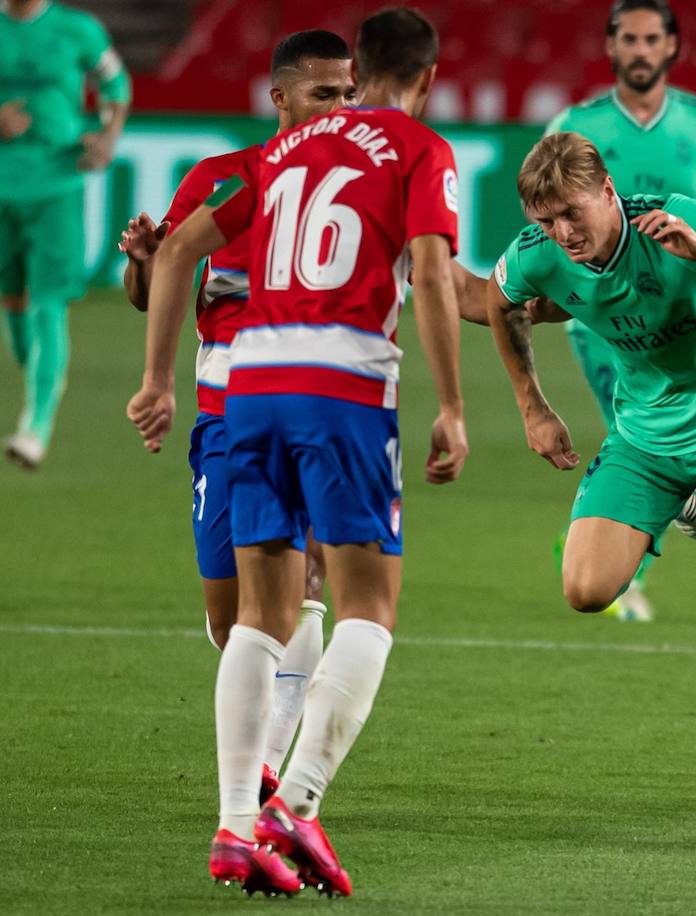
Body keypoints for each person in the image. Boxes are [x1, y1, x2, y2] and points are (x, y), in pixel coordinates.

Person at [127, 7, 467, 895]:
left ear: (362, 74)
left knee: (259, 616)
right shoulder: (412, 149)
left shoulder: (276, 159)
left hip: (250, 390)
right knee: (368, 608)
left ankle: (239, 825)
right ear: (426, 80)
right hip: (340, 383)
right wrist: (457, 405)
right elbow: (430, 272)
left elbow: (180, 252)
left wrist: (156, 376)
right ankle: (297, 804)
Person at [486, 131, 696, 755]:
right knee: (585, 592)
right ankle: (684, 505)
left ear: (607, 192)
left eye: (572, 213)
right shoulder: (538, 254)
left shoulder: (672, 219)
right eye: (547, 220)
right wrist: (534, 406)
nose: (563, 233)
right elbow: (498, 303)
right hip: (646, 441)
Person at [119, 28, 356, 808]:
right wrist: (145, 263)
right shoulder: (224, 181)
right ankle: (263, 765)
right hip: (228, 415)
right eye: (325, 93)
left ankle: (267, 784)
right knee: (234, 623)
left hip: (322, 413)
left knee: (304, 584)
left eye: (349, 93)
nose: (341, 107)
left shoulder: (357, 185)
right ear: (280, 97)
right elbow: (153, 288)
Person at [541, 0, 696, 621]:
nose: (639, 49)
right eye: (627, 38)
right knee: (638, 431)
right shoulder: (577, 125)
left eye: (650, 38)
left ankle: (612, 533)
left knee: (663, 433)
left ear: (670, 47)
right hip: (603, 320)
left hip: (685, 316)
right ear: (611, 48)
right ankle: (624, 559)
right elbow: (543, 211)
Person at [0, 0, 129, 468]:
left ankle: (36, 425)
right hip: (3, 187)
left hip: (57, 184)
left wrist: (108, 136)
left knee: (47, 302)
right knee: (12, 299)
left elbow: (116, 83)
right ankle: (41, 377)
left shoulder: (78, 30)